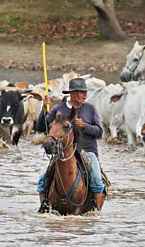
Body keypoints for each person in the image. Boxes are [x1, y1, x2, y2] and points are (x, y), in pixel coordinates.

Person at [36, 78, 105, 213]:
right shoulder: (58, 109)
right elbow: (40, 127)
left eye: (85, 92)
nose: (85, 95)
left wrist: (86, 126)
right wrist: (44, 109)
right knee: (42, 180)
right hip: (62, 151)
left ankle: (95, 212)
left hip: (87, 150)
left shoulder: (90, 109)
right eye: (81, 92)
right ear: (72, 94)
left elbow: (99, 132)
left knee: (97, 180)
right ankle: (44, 206)